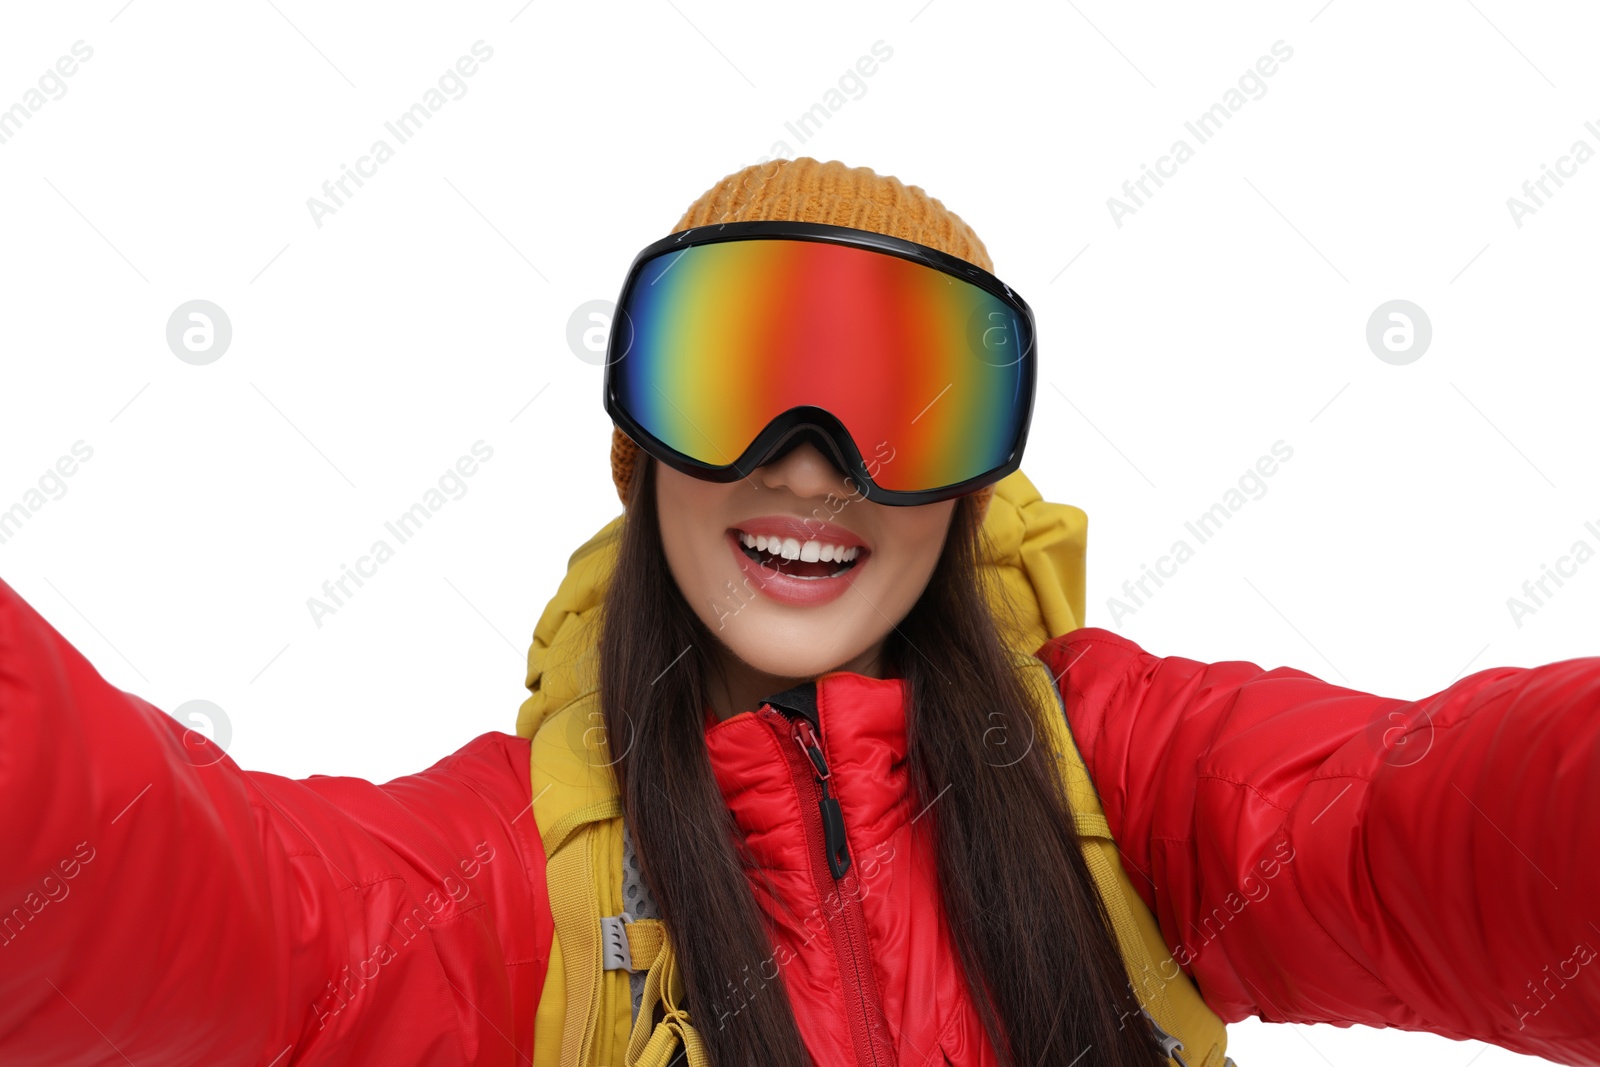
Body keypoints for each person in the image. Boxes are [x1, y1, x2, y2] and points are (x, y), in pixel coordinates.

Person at [1, 157, 1596, 1067]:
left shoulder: (1118, 776)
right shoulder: (529, 883)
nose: (809, 471)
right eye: (736, 379)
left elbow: (1423, 824)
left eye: (896, 406)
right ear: (640, 450)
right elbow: (203, 906)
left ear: (973, 486)